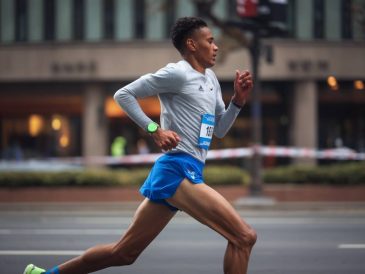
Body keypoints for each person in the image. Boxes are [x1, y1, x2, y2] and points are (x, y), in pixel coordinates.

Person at [24, 16, 256, 274]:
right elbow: (123, 95)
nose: (215, 47)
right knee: (243, 237)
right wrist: (154, 129)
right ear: (191, 44)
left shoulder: (211, 79)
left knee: (124, 253)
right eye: (210, 41)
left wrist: (237, 102)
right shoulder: (177, 73)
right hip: (178, 170)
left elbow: (220, 130)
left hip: (186, 170)